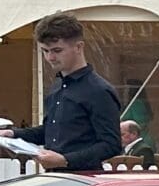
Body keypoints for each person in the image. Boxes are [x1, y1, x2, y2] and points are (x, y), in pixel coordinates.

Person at [18, 14, 125, 173]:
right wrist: (13, 134)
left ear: (79, 47)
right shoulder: (57, 87)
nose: (50, 57)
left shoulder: (99, 91)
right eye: (45, 51)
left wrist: (65, 160)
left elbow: (111, 145)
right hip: (55, 179)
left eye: (57, 50)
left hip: (85, 182)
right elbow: (51, 131)